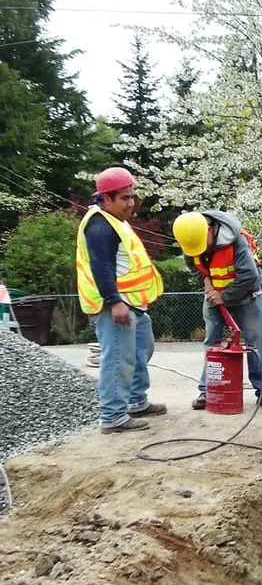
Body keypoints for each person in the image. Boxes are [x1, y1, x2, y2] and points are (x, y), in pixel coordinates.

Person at [75, 167, 167, 434]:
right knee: (118, 358)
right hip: (115, 305)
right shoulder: (100, 226)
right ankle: (113, 415)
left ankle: (136, 401)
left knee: (141, 349)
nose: (131, 203)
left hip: (132, 303)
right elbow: (101, 266)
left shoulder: (115, 221)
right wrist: (114, 301)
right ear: (106, 198)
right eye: (125, 198)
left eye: (132, 196)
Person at [172, 210, 262, 410]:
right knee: (212, 343)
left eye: (203, 244)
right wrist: (206, 281)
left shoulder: (236, 241)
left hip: (247, 295)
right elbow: (193, 266)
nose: (201, 250)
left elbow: (249, 275)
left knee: (256, 341)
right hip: (214, 295)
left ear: (209, 230)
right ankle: (208, 389)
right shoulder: (190, 239)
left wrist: (224, 296)